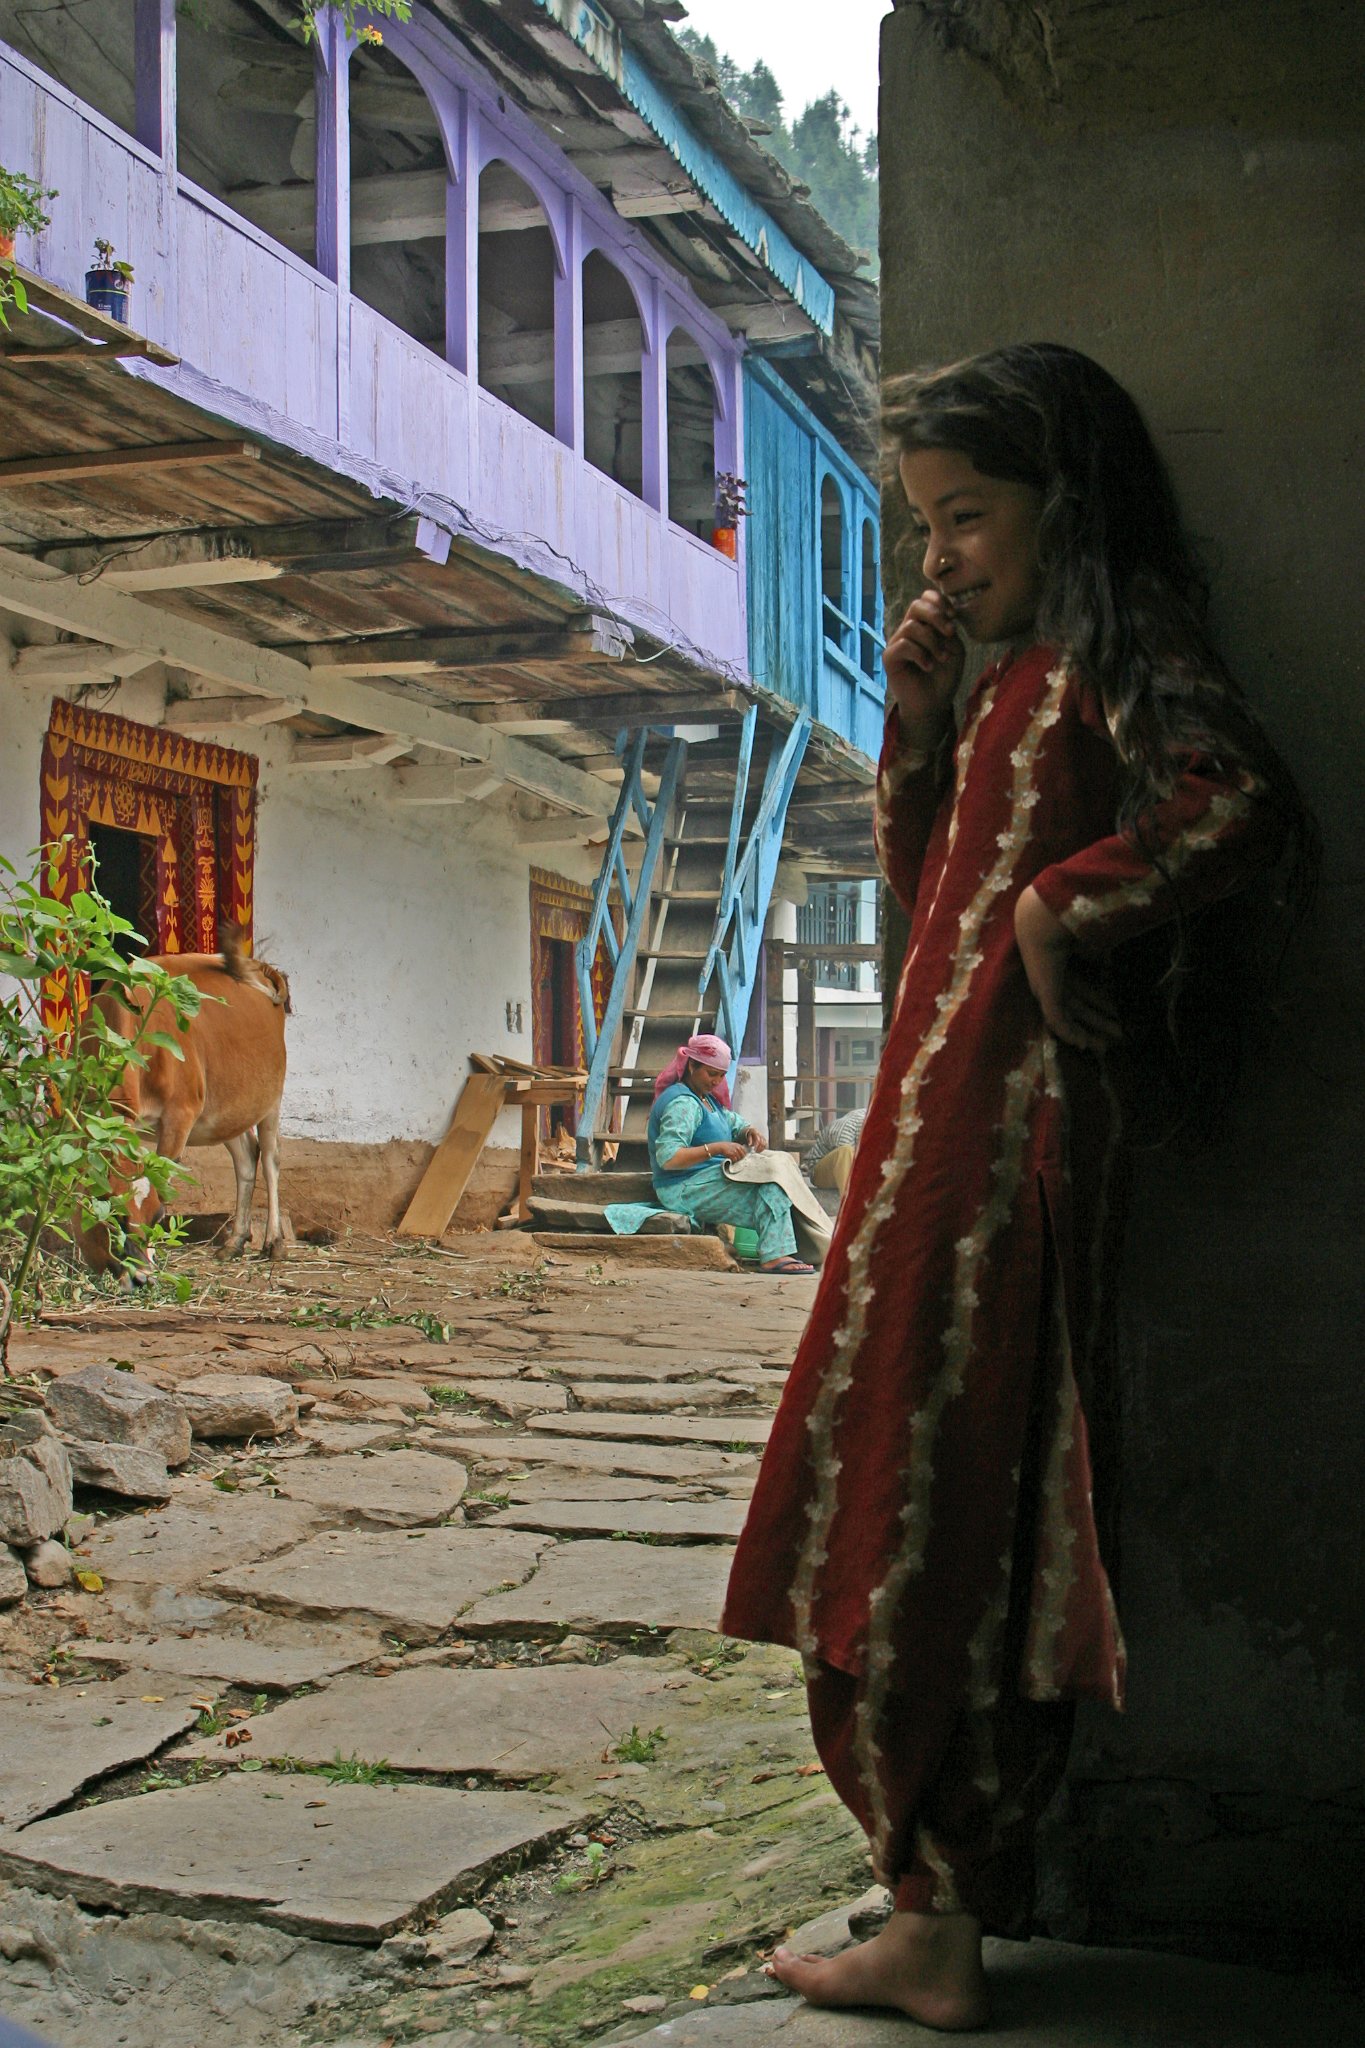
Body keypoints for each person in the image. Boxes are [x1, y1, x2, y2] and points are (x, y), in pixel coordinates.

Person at [722, 343, 1316, 2028]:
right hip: (934, 1132)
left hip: (1014, 1145)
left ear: (1070, 503)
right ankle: (931, 1888)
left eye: (965, 516)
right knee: (896, 1468)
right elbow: (933, 912)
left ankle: (942, 1914)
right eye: (924, 528)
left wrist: (1070, 904)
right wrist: (915, 735)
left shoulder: (1117, 652)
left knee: (953, 1490)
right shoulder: (1011, 683)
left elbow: (1236, 799)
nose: (939, 559)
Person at [648, 1032, 814, 1275]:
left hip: (705, 1179)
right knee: (771, 1187)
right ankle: (775, 1255)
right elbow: (669, 1158)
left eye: (721, 1075)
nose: (717, 1081)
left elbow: (732, 1122)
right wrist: (716, 1148)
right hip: (681, 1187)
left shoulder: (707, 1100)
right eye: (711, 1073)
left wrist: (748, 1131)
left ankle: (782, 1251)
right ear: (692, 1066)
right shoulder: (682, 1104)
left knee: (776, 1180)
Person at [806, 1107, 867, 1198]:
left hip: (856, 1171)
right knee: (845, 1151)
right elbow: (847, 1167)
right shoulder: (846, 1129)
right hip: (820, 1172)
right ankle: (849, 1201)